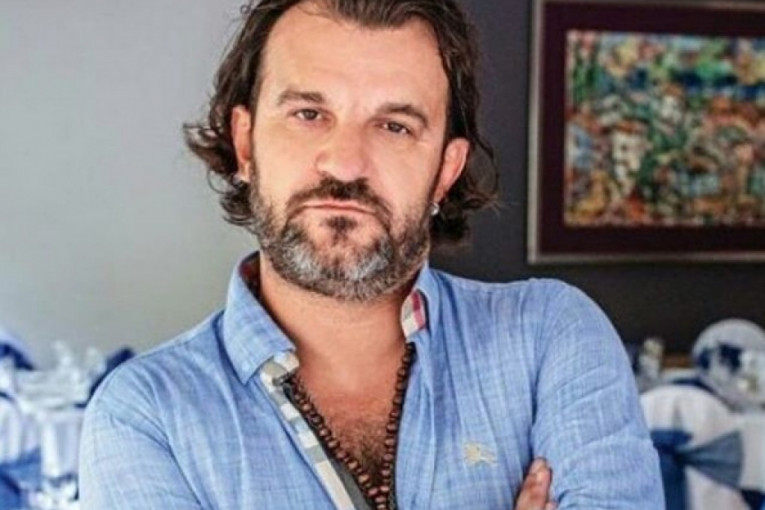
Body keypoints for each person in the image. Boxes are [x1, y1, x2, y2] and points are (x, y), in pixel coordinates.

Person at [79, 0, 663, 508]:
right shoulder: (147, 415)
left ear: (445, 171)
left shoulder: (552, 336)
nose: (345, 162)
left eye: (394, 126)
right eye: (309, 114)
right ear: (245, 144)